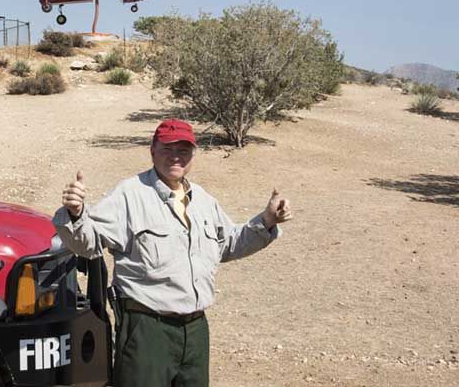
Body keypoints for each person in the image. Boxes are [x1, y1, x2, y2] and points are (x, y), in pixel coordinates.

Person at [52, 119, 293, 387]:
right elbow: (88, 242)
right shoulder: (129, 195)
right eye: (167, 148)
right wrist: (75, 214)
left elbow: (229, 244)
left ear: (193, 155)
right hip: (146, 330)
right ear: (152, 150)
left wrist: (267, 221)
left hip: (196, 330)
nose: (176, 157)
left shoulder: (203, 200)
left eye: (184, 150)